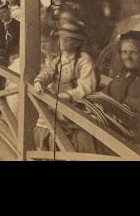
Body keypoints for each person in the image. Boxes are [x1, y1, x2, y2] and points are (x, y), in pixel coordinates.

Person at [75, 30, 140, 156]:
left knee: (85, 135)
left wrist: (125, 104)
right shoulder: (119, 80)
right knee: (80, 133)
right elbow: (101, 99)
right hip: (111, 131)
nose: (127, 57)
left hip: (132, 139)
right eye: (124, 52)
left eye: (133, 52)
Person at [33, 20, 98, 153]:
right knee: (43, 123)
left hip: (78, 104)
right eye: (61, 37)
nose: (62, 41)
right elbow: (48, 71)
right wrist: (39, 81)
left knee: (52, 125)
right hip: (58, 102)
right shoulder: (60, 59)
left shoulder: (84, 60)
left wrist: (66, 96)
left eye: (67, 39)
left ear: (77, 42)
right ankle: (43, 154)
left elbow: (86, 88)